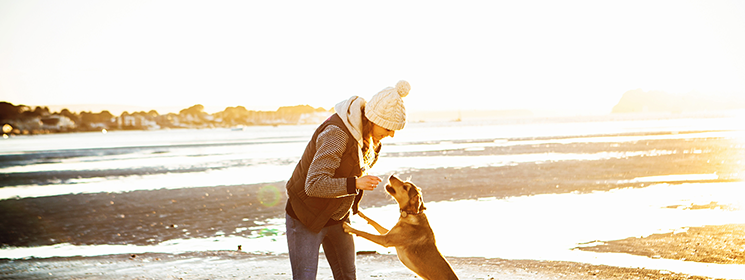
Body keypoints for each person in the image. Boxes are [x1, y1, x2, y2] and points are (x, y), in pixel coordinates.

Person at [284, 80, 411, 279]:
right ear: (373, 120)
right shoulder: (337, 134)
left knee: (347, 276)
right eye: (388, 129)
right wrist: (355, 183)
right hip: (305, 216)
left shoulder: (371, 142)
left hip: (337, 217)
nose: (392, 134)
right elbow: (314, 185)